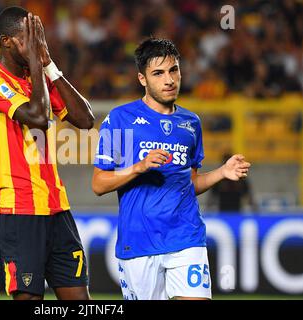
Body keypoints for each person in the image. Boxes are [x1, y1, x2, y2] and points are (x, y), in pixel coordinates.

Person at [92, 38, 251, 300]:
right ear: (142, 79)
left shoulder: (191, 123)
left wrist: (222, 172)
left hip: (186, 235)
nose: (169, 80)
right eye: (158, 73)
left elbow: (190, 184)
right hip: (140, 241)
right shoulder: (119, 119)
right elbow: (98, 184)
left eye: (173, 70)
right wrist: (138, 168)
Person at [0, 6, 94, 300]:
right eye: (28, 39)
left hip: (56, 208)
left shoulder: (37, 78)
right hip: (19, 210)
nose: (36, 46)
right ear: (6, 41)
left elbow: (85, 119)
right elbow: (38, 116)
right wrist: (37, 67)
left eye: (38, 38)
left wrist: (49, 65)